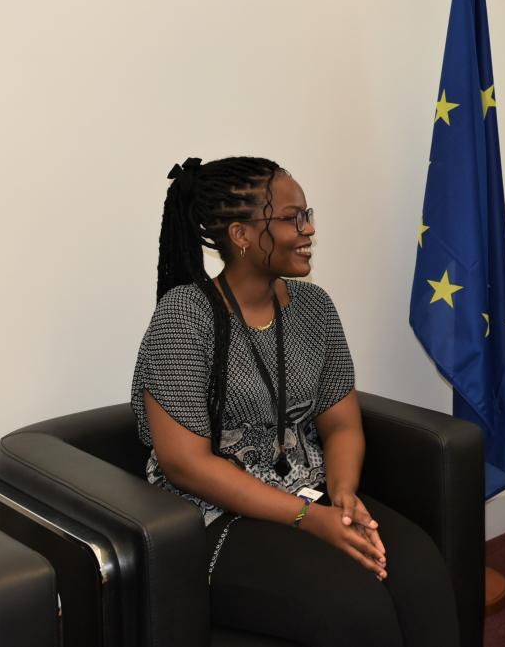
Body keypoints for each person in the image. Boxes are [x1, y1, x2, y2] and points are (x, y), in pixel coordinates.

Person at [131, 156, 458, 647]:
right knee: (354, 605)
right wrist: (310, 519)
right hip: (213, 516)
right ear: (240, 235)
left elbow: (342, 425)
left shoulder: (314, 307)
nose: (308, 230)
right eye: (291, 218)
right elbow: (185, 465)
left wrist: (344, 493)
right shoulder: (184, 318)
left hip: (310, 490)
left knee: (421, 572)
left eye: (308, 215)